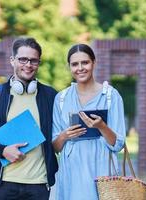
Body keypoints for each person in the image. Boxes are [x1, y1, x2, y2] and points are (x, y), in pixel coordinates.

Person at [0, 37, 58, 200]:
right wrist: (2, 151)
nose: (28, 65)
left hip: (39, 186)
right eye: (23, 59)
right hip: (3, 185)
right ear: (12, 60)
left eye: (33, 60)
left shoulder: (50, 96)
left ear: (39, 63)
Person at [52, 44, 126, 200]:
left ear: (94, 63)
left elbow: (118, 144)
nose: (80, 68)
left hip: (102, 174)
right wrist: (64, 135)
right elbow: (55, 147)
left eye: (85, 62)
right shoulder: (61, 99)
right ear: (69, 67)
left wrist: (102, 126)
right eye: (74, 64)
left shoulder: (111, 96)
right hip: (71, 177)